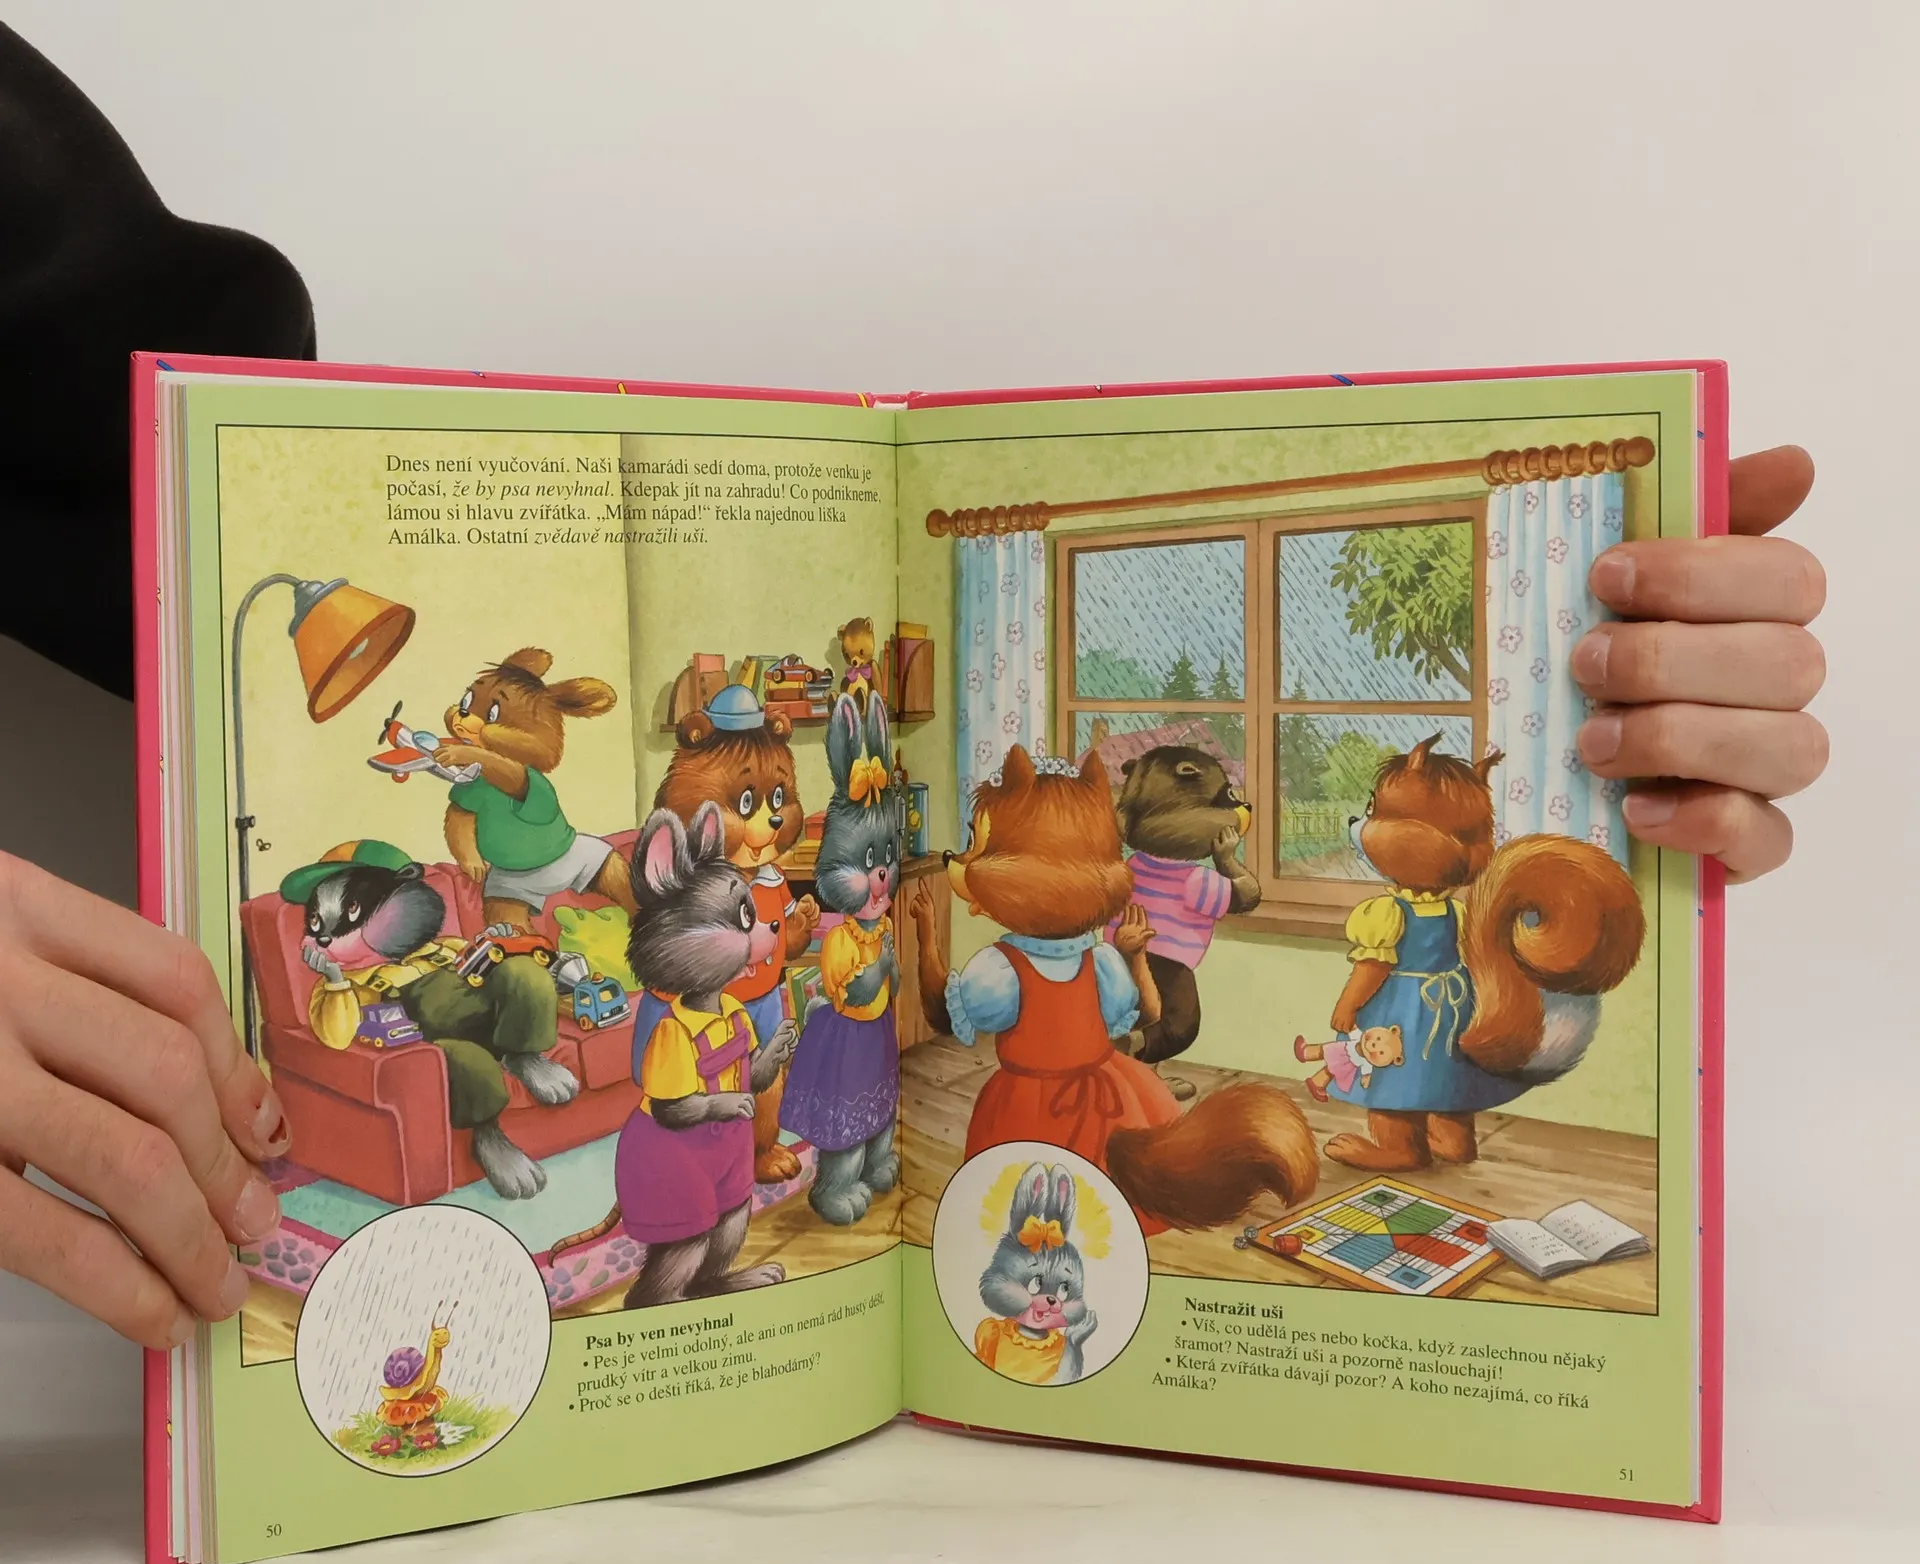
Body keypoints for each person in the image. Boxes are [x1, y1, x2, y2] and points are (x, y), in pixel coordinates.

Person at [0, 31, 1831, 1352]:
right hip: (792, 1094)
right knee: (819, 1131)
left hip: (986, 1093)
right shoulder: (774, 920)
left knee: (1025, 1128)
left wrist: (1605, 692)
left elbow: (128, 460)